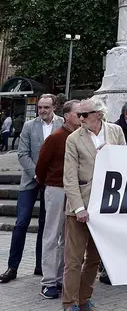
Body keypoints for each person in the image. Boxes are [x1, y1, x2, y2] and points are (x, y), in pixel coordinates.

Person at [62, 97, 126, 311]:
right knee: (74, 260)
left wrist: (112, 153)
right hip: (80, 207)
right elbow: (69, 176)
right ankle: (69, 303)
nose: (80, 118)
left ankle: (84, 299)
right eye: (78, 114)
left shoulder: (115, 132)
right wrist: (78, 207)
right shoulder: (73, 138)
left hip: (105, 207)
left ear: (98, 114)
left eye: (84, 114)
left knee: (94, 260)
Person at [0, 94, 62, 284]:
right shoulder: (29, 126)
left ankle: (40, 265)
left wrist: (47, 174)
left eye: (46, 107)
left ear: (54, 107)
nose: (42, 110)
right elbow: (22, 153)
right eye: (40, 107)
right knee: (21, 222)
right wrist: (37, 173)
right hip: (30, 179)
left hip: (52, 181)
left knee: (46, 225)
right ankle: (12, 267)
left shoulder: (62, 125)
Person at [34, 100, 80, 299]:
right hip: (56, 188)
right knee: (52, 235)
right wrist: (50, 184)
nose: (82, 118)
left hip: (73, 191)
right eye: (79, 114)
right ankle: (48, 281)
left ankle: (61, 277)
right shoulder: (56, 137)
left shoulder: (79, 136)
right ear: (68, 115)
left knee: (67, 237)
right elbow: (41, 165)